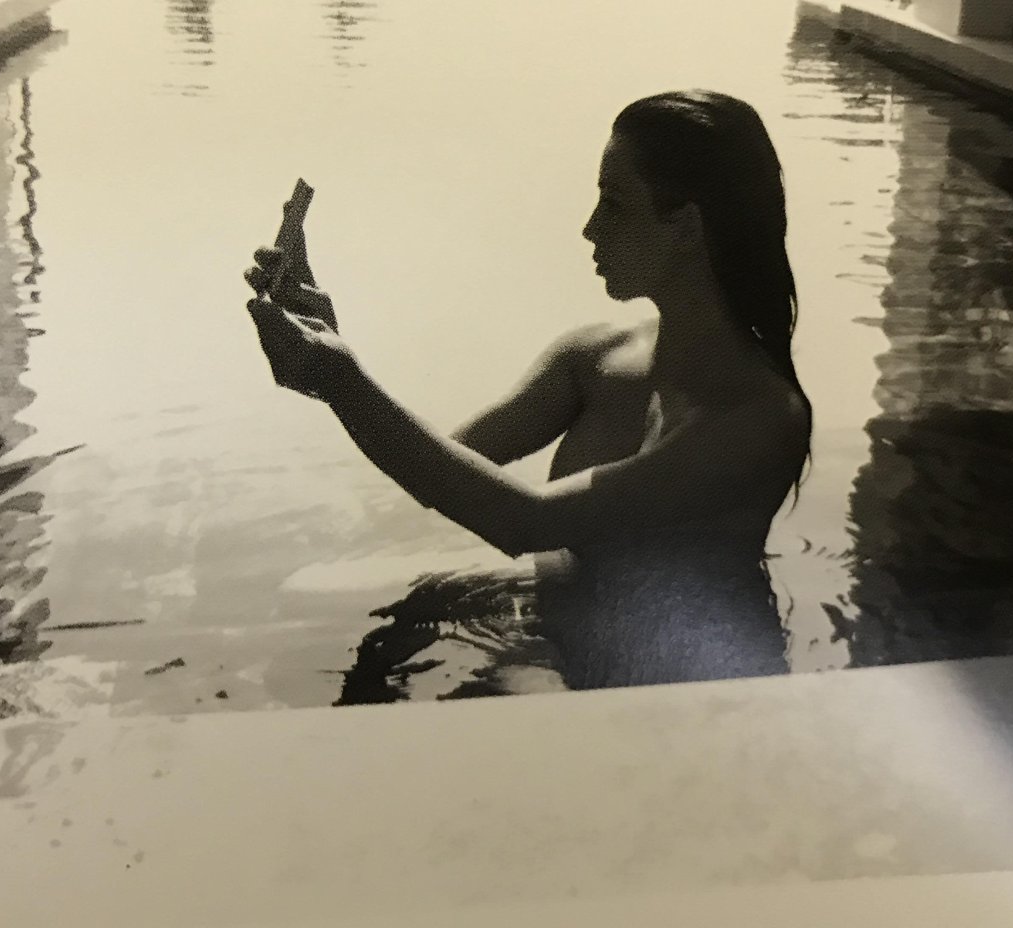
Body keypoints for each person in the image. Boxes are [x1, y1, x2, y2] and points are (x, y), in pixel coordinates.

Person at [245, 89, 814, 686]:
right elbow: (452, 467)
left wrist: (341, 381)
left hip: (675, 683)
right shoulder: (597, 357)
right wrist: (333, 353)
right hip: (567, 631)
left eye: (614, 204)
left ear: (686, 227)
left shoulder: (758, 418)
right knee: (320, 607)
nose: (590, 228)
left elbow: (525, 523)